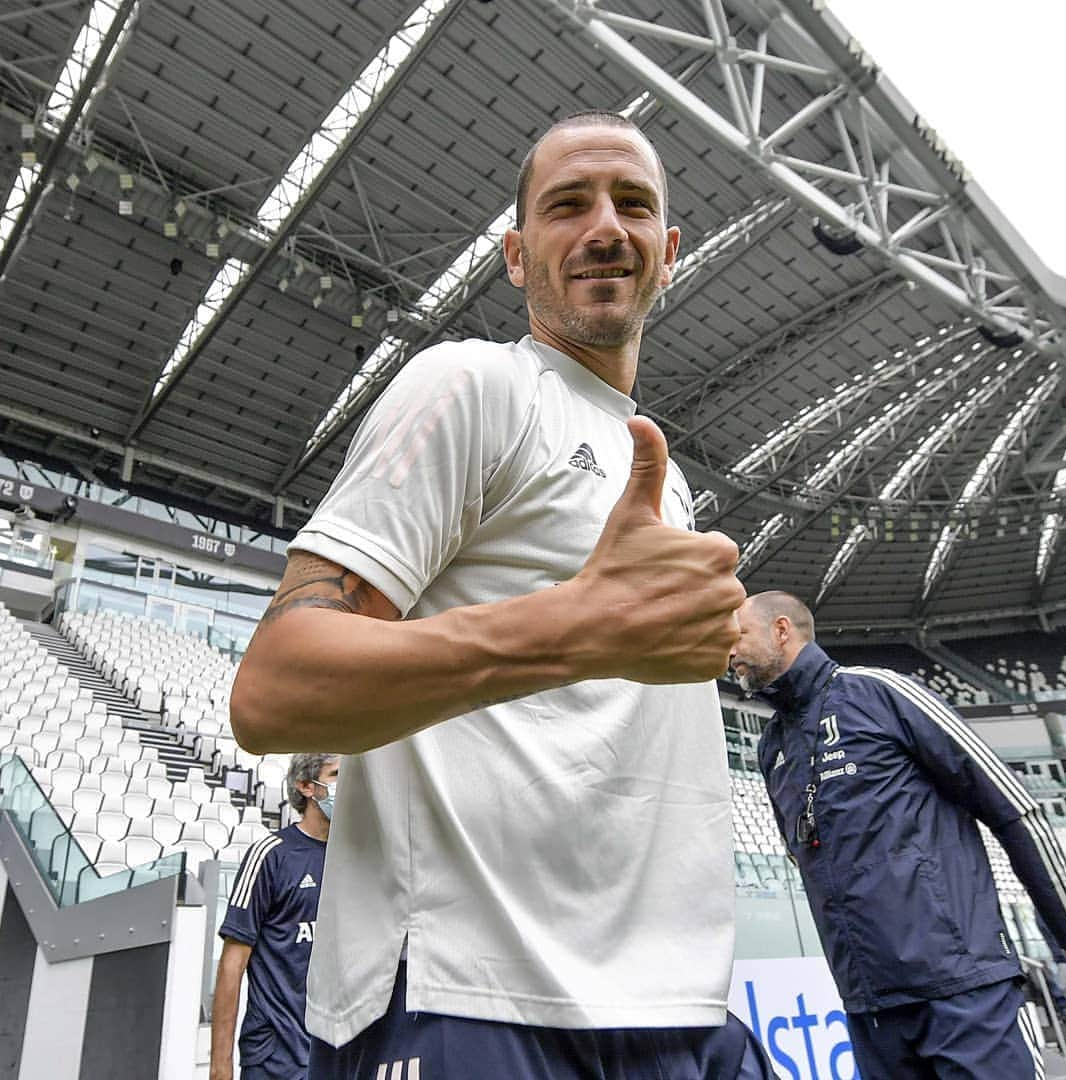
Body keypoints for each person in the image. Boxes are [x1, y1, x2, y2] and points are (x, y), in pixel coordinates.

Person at [231, 112, 777, 1078]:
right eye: (568, 205)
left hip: (670, 1008)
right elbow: (275, 690)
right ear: (517, 257)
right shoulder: (474, 385)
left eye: (634, 205)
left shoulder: (667, 480)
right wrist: (574, 626)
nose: (605, 226)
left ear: (670, 252)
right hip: (467, 995)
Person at [731, 590, 1066, 1079]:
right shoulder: (771, 747)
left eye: (738, 634)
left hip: (964, 992)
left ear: (781, 630)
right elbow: (800, 854)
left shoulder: (879, 691)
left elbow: (1014, 808)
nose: (728, 651)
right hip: (871, 1011)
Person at [210, 753, 340, 1080]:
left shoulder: (355, 856)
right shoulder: (270, 855)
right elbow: (232, 964)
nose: (347, 784)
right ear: (307, 787)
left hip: (335, 1054)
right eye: (337, 774)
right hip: (275, 1057)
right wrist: (220, 1066)